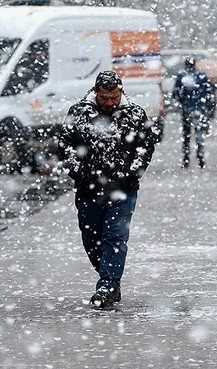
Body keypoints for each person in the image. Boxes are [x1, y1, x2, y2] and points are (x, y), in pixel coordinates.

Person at [60, 71, 157, 308]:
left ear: (121, 92)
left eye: (114, 97)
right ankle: (106, 271)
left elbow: (145, 148)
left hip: (122, 190)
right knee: (91, 238)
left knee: (115, 236)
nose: (110, 102)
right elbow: (65, 146)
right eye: (104, 98)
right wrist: (78, 172)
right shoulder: (79, 113)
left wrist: (131, 174)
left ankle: (108, 285)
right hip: (89, 189)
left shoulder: (135, 114)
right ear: (96, 93)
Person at [172, 58, 217, 169]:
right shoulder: (202, 77)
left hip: (186, 110)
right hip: (200, 110)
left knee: (186, 136)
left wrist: (182, 102)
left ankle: (186, 159)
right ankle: (200, 157)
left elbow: (176, 94)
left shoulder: (182, 77)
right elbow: (209, 93)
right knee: (199, 135)